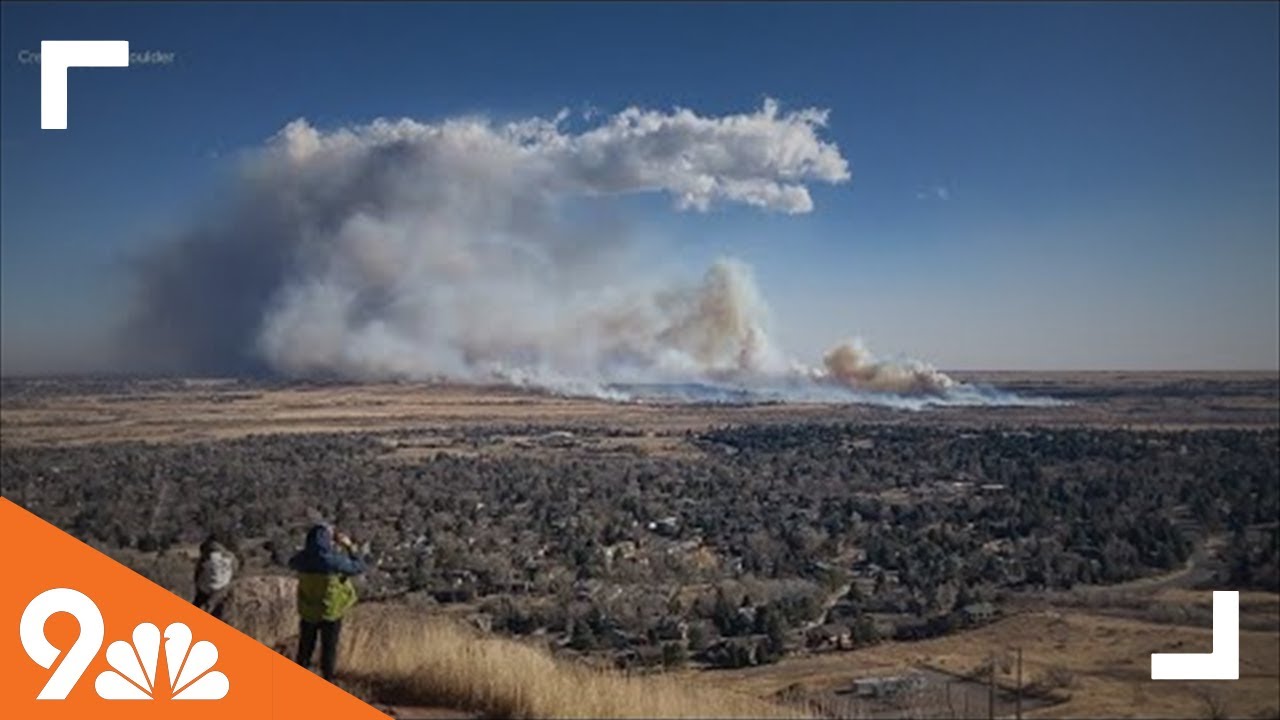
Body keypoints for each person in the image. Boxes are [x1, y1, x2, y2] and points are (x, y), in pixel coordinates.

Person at [288, 524, 366, 681]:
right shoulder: (333, 561)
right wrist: (350, 547)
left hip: (308, 610)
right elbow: (359, 567)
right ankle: (327, 682)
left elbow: (291, 562)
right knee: (328, 651)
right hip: (331, 611)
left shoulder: (302, 560)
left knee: (305, 649)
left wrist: (309, 550)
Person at [193, 535, 237, 620]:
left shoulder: (205, 557)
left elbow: (198, 574)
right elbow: (235, 570)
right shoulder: (230, 556)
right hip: (223, 587)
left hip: (205, 587)